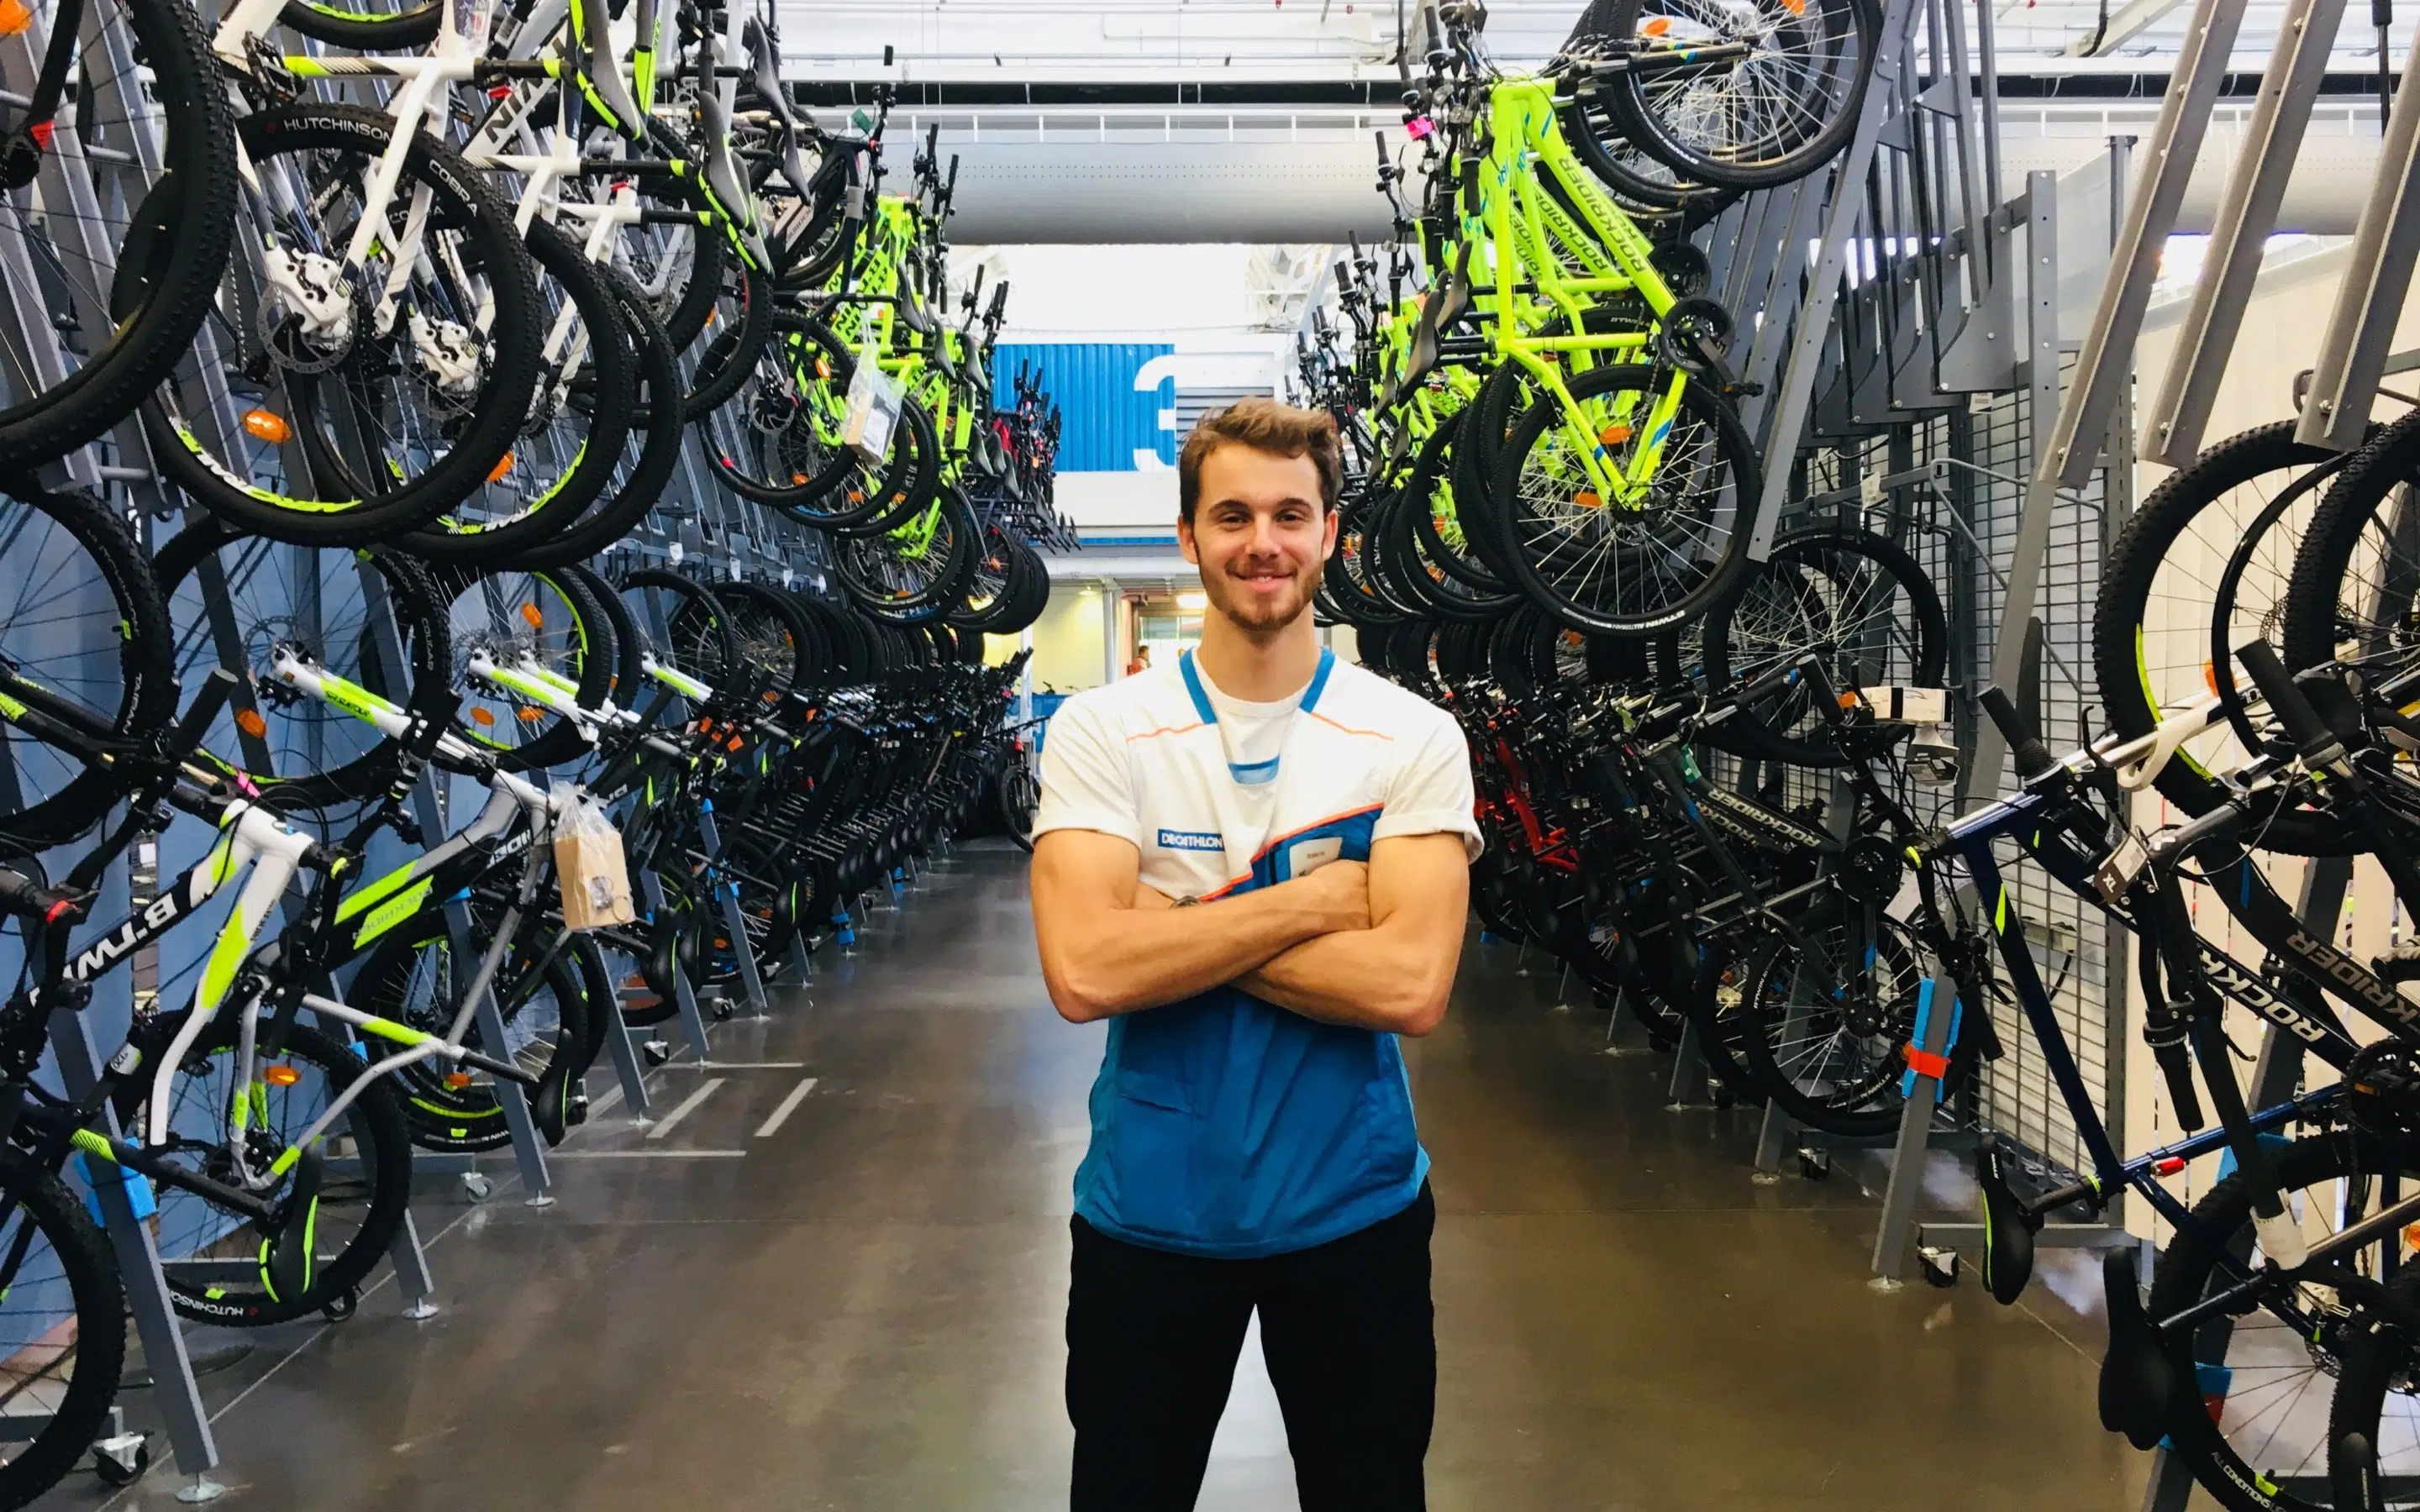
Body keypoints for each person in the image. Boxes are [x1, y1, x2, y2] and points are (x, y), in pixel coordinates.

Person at [1028, 396, 1480, 1512]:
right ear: (1189, 536)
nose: (1262, 542)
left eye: (1290, 515)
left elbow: (1411, 985)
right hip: (1149, 1217)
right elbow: (1084, 972)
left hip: (1354, 1215)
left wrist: (1168, 917)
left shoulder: (1412, 737)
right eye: (1232, 516)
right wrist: (1315, 904)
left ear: (1331, 534)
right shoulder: (1103, 731)